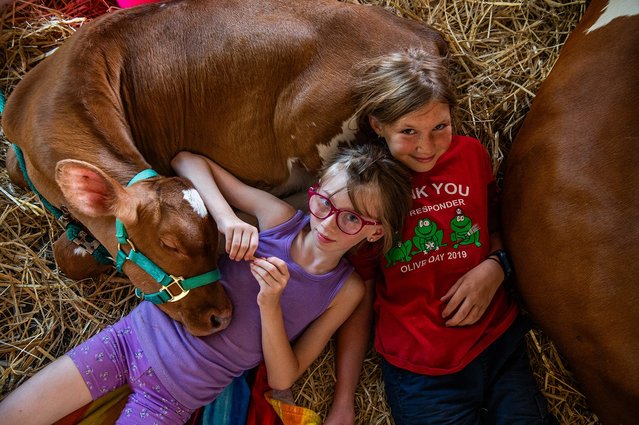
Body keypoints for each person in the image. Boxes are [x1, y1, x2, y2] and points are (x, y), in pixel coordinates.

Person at [0, 143, 412, 425]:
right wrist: (226, 217)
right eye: (325, 202)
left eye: (352, 219)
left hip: (172, 398)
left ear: (376, 233)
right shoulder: (277, 218)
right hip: (127, 340)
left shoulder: (345, 291)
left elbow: (285, 377)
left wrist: (271, 305)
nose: (325, 221)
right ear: (316, 192)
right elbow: (187, 162)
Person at [324, 48, 549, 424]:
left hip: (497, 343)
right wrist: (343, 399)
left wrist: (496, 266)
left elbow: (499, 226)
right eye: (408, 132)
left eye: (439, 127)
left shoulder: (471, 156)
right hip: (420, 368)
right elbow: (360, 287)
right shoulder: (365, 190)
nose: (426, 147)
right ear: (378, 125)